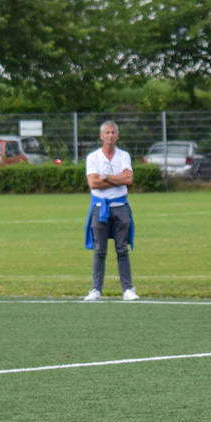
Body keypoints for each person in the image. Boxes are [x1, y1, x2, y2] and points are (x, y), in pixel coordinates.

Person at [84, 121, 137, 302]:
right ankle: (96, 289)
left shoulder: (124, 156)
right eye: (107, 132)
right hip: (100, 208)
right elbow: (93, 183)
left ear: (117, 135)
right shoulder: (93, 157)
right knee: (100, 250)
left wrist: (105, 177)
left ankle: (128, 289)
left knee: (122, 249)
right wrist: (117, 179)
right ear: (101, 136)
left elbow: (128, 179)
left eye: (113, 132)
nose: (110, 135)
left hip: (120, 207)